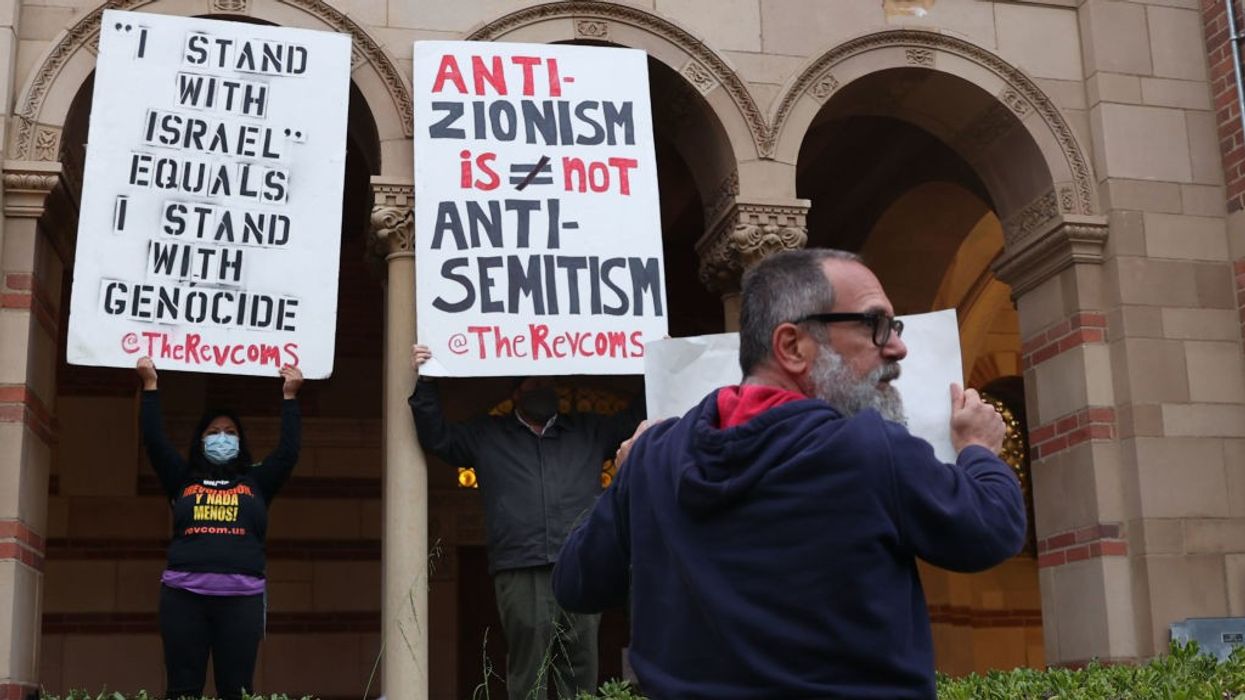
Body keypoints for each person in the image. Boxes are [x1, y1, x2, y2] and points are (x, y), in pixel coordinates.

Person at [552, 249, 1027, 699]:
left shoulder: (655, 457)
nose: (898, 347)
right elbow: (990, 530)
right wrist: (980, 451)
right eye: (876, 325)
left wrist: (632, 475)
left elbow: (576, 583)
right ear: (792, 346)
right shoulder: (869, 449)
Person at [409, 344, 644, 699]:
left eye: (548, 384)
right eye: (534, 386)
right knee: (528, 667)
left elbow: (636, 419)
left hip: (580, 564)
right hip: (520, 566)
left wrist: (655, 361)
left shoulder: (587, 430)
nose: (543, 391)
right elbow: (437, 436)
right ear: (515, 393)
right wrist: (427, 379)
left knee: (581, 665)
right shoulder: (487, 434)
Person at [136, 356, 303, 700]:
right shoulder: (181, 478)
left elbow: (287, 454)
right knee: (182, 690)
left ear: (241, 441)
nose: (222, 438)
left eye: (230, 432)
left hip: (242, 601)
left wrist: (290, 397)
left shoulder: (257, 481)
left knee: (236, 691)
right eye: (213, 433)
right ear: (200, 440)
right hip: (184, 599)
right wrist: (150, 386)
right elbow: (154, 442)